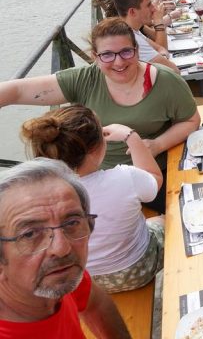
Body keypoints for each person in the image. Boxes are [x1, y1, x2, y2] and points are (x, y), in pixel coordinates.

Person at [0, 18, 200, 174]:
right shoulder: (84, 79)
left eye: (126, 52)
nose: (118, 62)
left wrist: (157, 144)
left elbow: (191, 120)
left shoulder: (166, 81)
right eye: (107, 55)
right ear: (95, 57)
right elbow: (16, 91)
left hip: (158, 172)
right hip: (99, 177)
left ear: (137, 51)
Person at [21, 105, 164, 294]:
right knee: (162, 220)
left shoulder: (39, 196)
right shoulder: (125, 177)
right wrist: (131, 137)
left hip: (85, 281)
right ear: (97, 148)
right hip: (139, 270)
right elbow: (154, 180)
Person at [0, 159, 131, 337]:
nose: (62, 248)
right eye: (30, 234)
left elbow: (96, 303)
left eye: (72, 222)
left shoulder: (58, 275)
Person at [112, 0, 179, 74]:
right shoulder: (131, 39)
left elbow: (160, 48)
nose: (153, 8)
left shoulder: (132, 30)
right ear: (132, 12)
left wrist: (161, 56)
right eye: (148, 5)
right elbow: (174, 71)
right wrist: (159, 21)